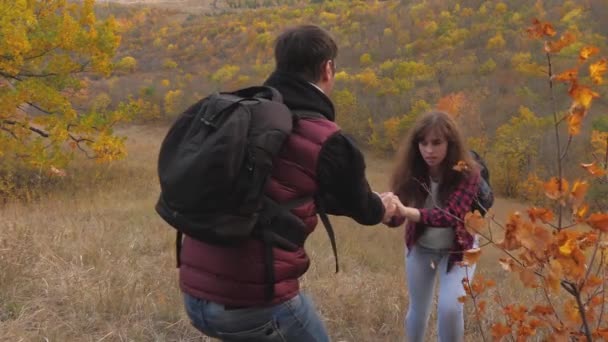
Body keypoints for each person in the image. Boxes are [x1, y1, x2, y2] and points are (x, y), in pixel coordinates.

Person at [179, 24, 398, 342]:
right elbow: (361, 207)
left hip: (195, 295)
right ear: (328, 68)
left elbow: (298, 189)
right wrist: (385, 206)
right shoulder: (327, 140)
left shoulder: (241, 114)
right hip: (251, 304)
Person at [384, 111, 481, 342]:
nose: (429, 150)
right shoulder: (410, 170)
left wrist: (408, 212)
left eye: (437, 143)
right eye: (423, 142)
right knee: (418, 310)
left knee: (450, 308)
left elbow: (452, 215)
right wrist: (386, 212)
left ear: (451, 143)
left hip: (458, 251)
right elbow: (398, 216)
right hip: (421, 247)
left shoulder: (468, 173)